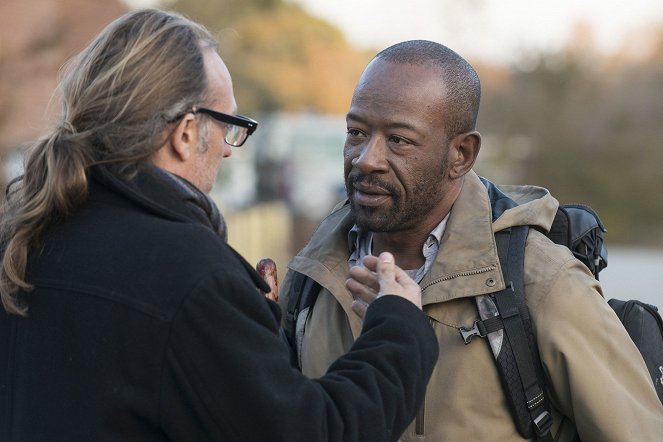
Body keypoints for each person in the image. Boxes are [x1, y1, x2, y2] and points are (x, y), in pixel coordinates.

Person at [0, 10, 439, 441]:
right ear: (187, 131)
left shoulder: (28, 235)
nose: (230, 151)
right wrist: (398, 325)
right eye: (229, 124)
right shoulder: (189, 273)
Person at [279, 40, 663, 441]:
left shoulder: (542, 282)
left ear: (461, 154)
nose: (366, 158)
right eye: (356, 132)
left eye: (398, 140)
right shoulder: (312, 275)